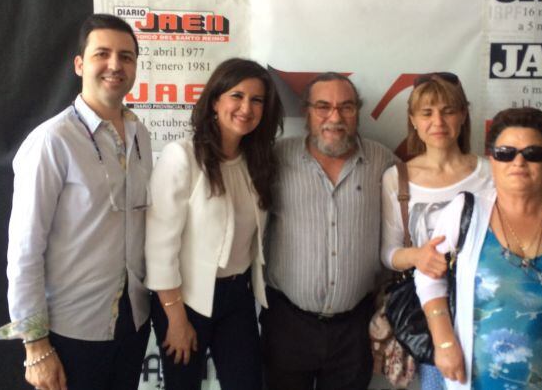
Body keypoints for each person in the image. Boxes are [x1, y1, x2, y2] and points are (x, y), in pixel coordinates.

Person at [0, 14, 153, 390]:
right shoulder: (53, 141)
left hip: (131, 323)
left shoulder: (139, 134)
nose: (115, 65)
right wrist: (36, 347)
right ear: (80, 64)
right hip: (71, 333)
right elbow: (24, 250)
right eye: (103, 54)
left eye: (126, 57)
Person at [416, 107, 542, 389]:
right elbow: (427, 277)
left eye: (533, 153)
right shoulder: (465, 213)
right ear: (492, 159)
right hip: (477, 380)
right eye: (506, 152)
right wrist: (444, 342)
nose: (518, 162)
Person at [144, 58, 284, 390]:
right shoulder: (182, 156)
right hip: (183, 300)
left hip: (237, 297)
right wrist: (176, 319)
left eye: (257, 100)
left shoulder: (258, 161)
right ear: (215, 101)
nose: (246, 107)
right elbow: (159, 247)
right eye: (237, 96)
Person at [261, 72, 398, 390]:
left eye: (346, 107)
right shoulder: (276, 159)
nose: (334, 117)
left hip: (355, 328)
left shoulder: (383, 162)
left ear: (357, 113)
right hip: (286, 324)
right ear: (306, 112)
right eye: (323, 106)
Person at [380, 72, 493, 389]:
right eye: (427, 113)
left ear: (463, 115)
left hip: (486, 307)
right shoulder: (397, 177)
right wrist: (418, 256)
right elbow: (387, 253)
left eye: (448, 111)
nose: (438, 121)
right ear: (413, 120)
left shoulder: (491, 172)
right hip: (428, 312)